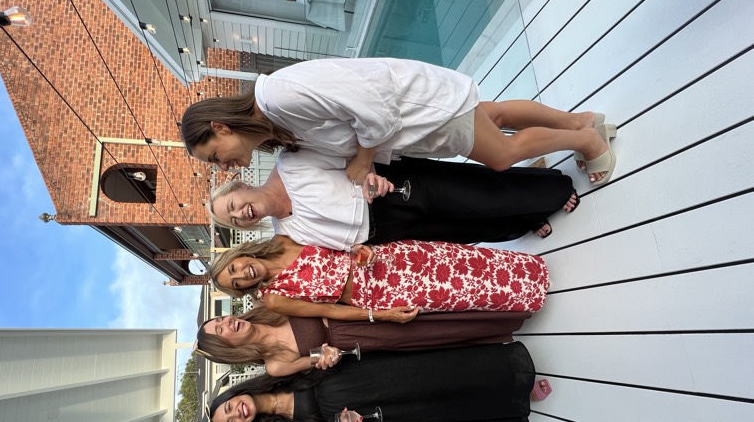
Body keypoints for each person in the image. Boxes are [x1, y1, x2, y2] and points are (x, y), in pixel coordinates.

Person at [181, 57, 617, 185]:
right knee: (496, 113)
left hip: (420, 112)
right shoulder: (276, 119)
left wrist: (363, 161)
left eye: (214, 156)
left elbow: (371, 106)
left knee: (501, 156)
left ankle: (588, 143)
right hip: (423, 102)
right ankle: (583, 121)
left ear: (222, 127)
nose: (223, 167)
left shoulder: (280, 97)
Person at [208, 342, 551, 422]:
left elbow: (313, 357)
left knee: (443, 372)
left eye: (228, 409)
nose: (236, 415)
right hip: (375, 413)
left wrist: (324, 356)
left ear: (232, 397)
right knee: (440, 406)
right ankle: (516, 397)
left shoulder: (276, 372)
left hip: (372, 372)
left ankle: (512, 371)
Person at [209, 152, 578, 249]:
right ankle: (526, 218)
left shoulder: (291, 163)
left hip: (394, 184)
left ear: (239, 187)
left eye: (234, 206)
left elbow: (348, 149)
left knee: (476, 194)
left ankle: (553, 187)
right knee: (464, 230)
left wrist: (367, 171)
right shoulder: (286, 232)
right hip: (386, 233)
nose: (241, 213)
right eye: (235, 220)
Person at [209, 235, 549, 322]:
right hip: (377, 293)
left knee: (460, 258)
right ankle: (528, 295)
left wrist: (357, 245)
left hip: (384, 258)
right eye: (236, 282)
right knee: (458, 290)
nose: (241, 275)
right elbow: (331, 312)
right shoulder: (274, 298)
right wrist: (380, 315)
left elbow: (333, 235)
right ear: (243, 290)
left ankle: (532, 268)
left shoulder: (281, 241)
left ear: (239, 255)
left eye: (234, 268)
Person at [195, 306, 531, 376]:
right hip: (360, 341)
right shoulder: (275, 364)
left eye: (221, 319)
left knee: (428, 308)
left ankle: (502, 304)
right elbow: (317, 359)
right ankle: (498, 326)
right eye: (221, 330)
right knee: (430, 334)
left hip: (357, 309)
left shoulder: (267, 307)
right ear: (229, 349)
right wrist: (324, 357)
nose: (228, 322)